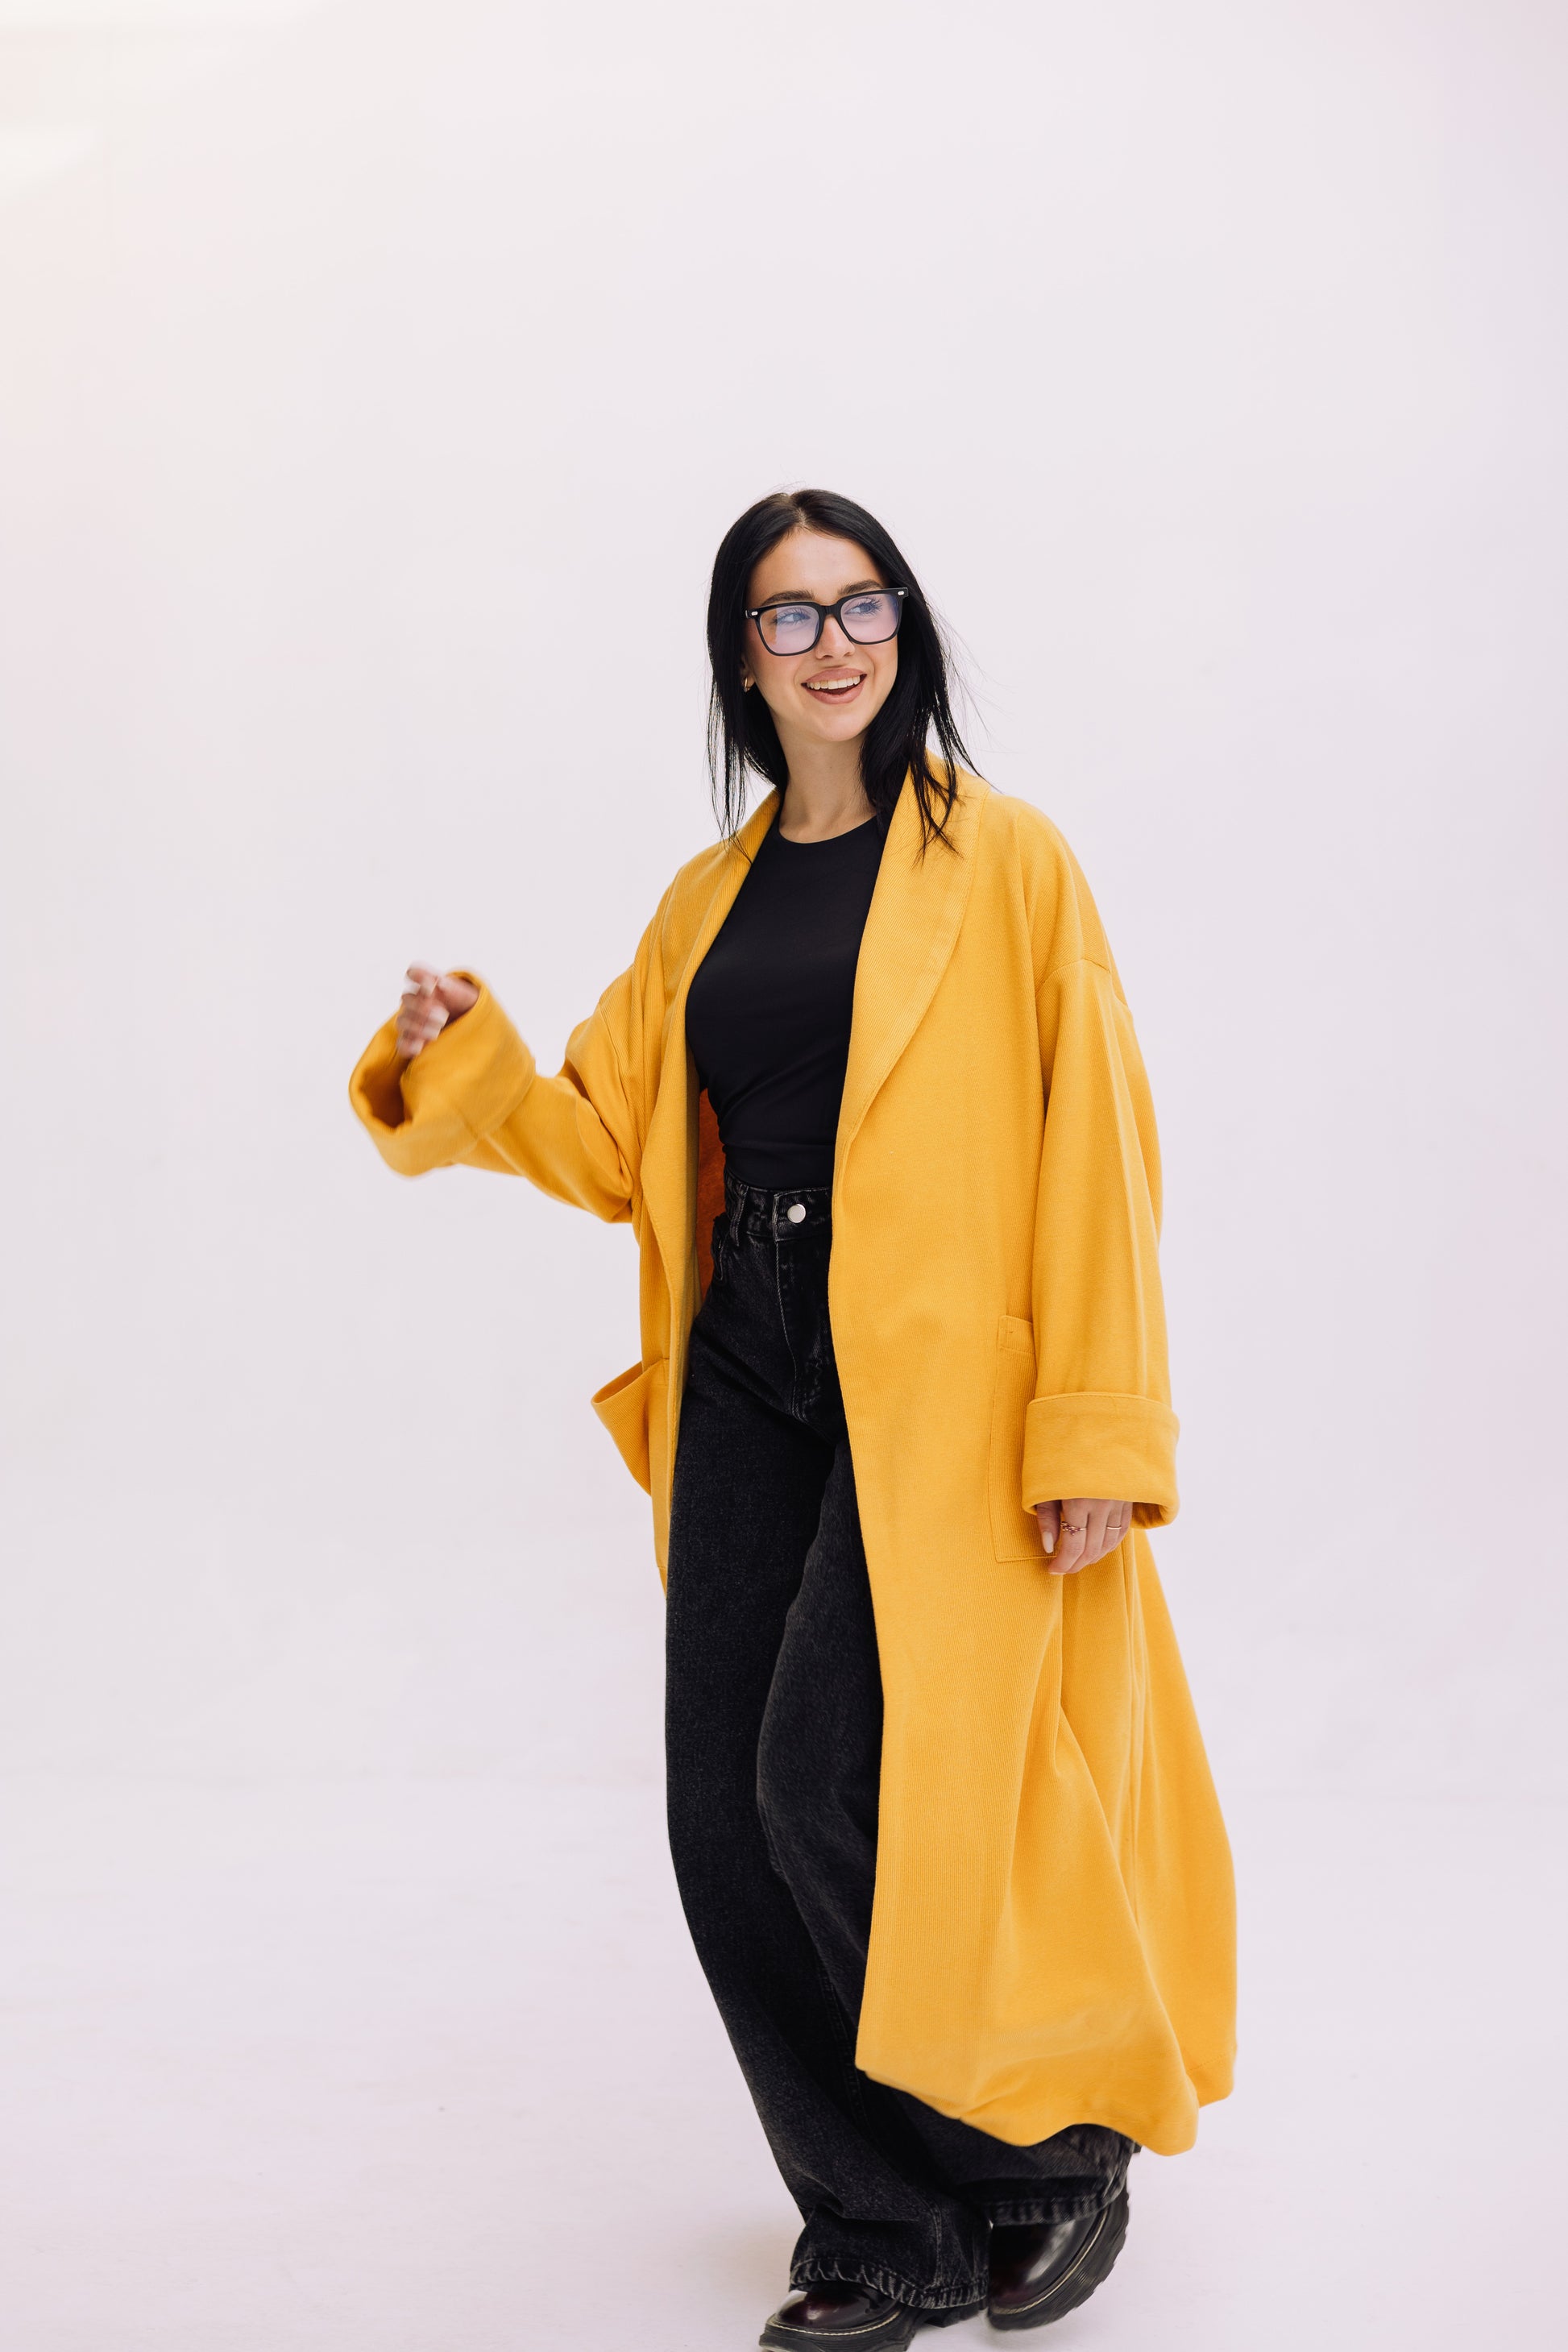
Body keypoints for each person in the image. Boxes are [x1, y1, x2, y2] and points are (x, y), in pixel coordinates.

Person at [349, 488, 1235, 2346]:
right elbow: (605, 1141)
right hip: (748, 1356)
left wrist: (1094, 1426)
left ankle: (1046, 2150)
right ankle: (877, 2218)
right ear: (739, 660)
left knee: (824, 1779)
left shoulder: (1008, 862)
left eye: (861, 603)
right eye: (788, 613)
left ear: (902, 627)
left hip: (937, 1380)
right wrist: (463, 1054)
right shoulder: (708, 901)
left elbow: (1097, 1149)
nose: (833, 642)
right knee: (720, 1813)